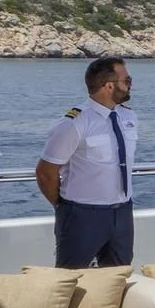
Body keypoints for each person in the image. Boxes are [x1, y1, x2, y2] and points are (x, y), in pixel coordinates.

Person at [36, 57, 138, 268]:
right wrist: (64, 207)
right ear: (109, 86)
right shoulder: (74, 123)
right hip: (82, 216)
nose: (131, 85)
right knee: (71, 280)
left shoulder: (129, 118)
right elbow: (46, 172)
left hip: (122, 213)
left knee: (118, 279)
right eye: (127, 80)